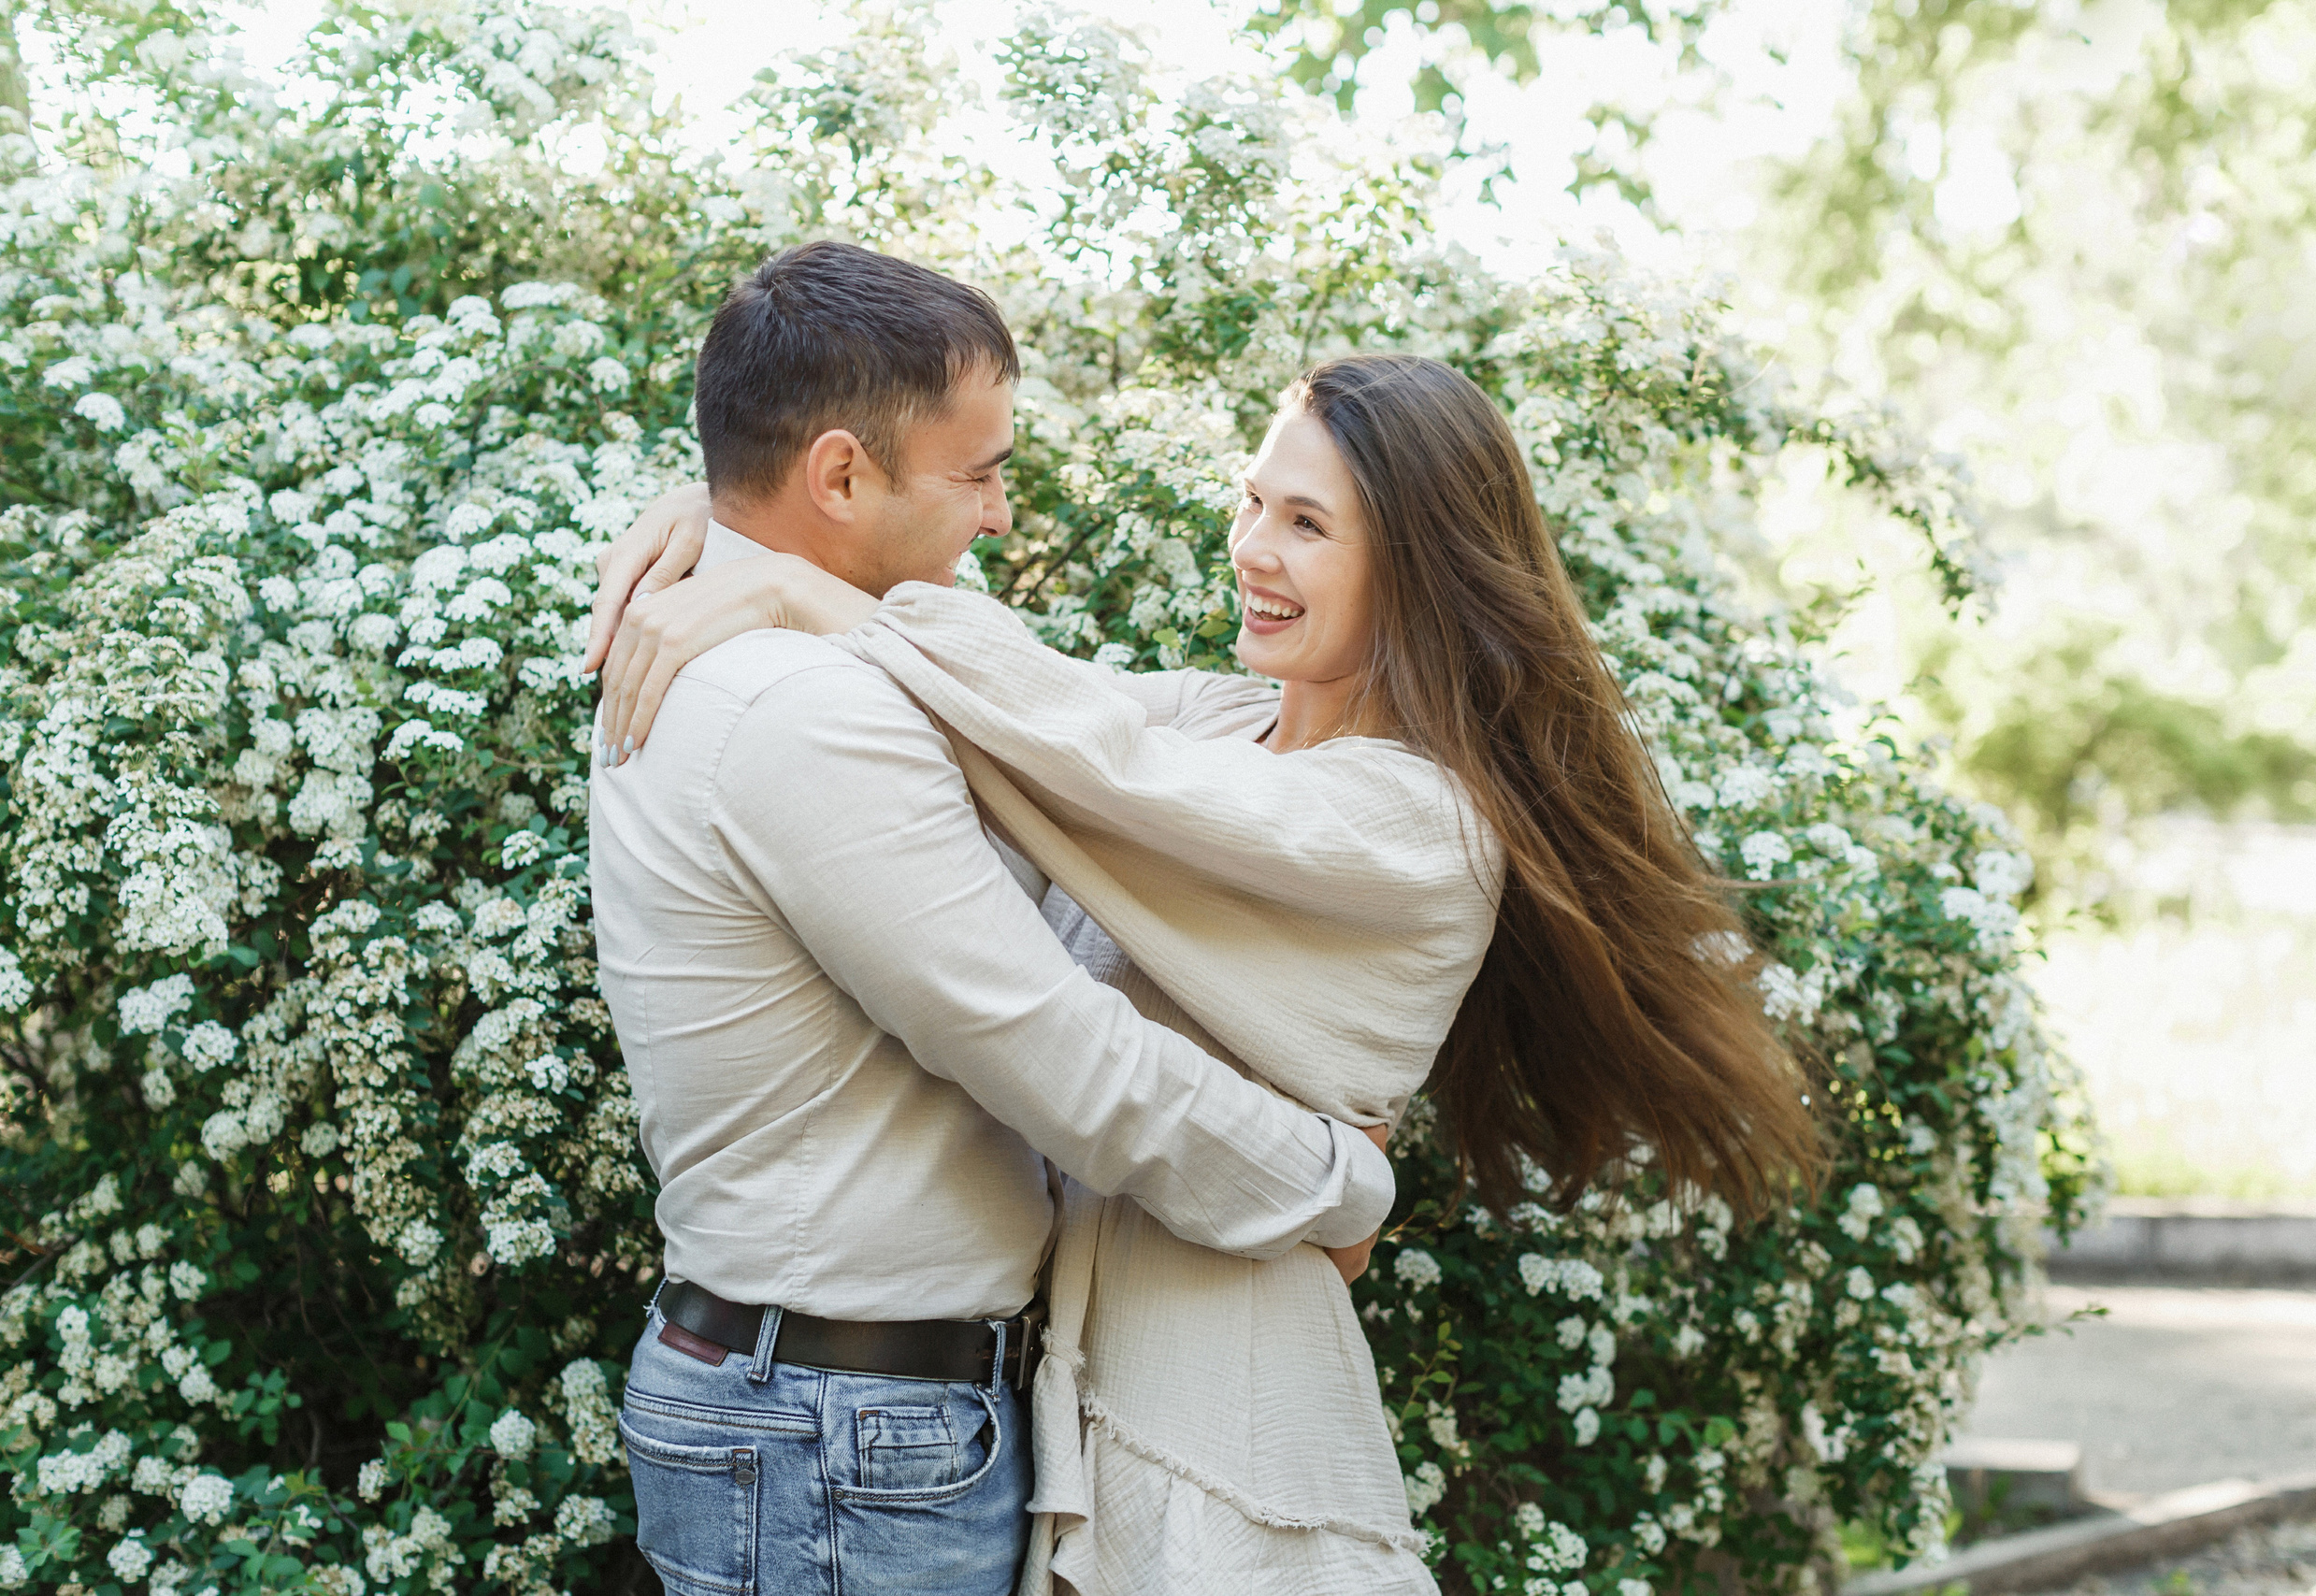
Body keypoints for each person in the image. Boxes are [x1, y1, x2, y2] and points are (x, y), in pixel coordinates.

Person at [592, 344, 1826, 1593]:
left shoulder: (1416, 827)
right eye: (1252, 501)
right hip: (1069, 1384)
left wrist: (796, 590)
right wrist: (729, 523)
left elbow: (1085, 753)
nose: (1253, 549)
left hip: (1224, 1421)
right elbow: (1039, 715)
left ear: (1417, 566)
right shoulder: (1219, 721)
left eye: (1306, 523)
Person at [584, 241, 1404, 1596]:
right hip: (841, 1442)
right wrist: (1337, 1183)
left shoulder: (752, 637)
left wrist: (759, 550)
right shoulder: (800, 709)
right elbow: (1055, 1054)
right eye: (978, 475)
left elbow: (1081, 727)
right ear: (839, 475)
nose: (1002, 517)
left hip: (830, 1420)